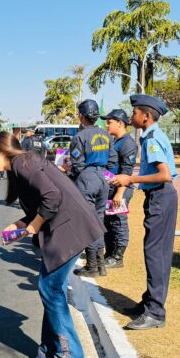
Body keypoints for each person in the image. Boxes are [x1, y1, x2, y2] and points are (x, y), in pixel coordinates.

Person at [0, 131, 104, 358]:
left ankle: (69, 357)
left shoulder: (24, 164)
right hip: (66, 231)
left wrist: (34, 226)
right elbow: (40, 203)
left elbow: (52, 197)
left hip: (69, 231)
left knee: (50, 289)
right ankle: (49, 351)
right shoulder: (22, 165)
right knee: (50, 289)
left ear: (1, 150)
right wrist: (20, 225)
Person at [111, 94, 178, 331]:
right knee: (154, 252)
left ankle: (155, 312)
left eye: (135, 112)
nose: (132, 116)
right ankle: (149, 302)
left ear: (146, 116)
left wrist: (130, 178)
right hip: (159, 197)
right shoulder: (152, 135)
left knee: (156, 254)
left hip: (161, 195)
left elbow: (164, 174)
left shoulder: (151, 139)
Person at [66, 99, 117, 277]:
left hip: (87, 179)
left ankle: (92, 266)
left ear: (81, 116)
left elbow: (77, 165)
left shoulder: (79, 137)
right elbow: (112, 161)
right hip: (103, 179)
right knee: (99, 221)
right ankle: (101, 264)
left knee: (88, 223)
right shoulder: (106, 135)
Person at [100, 109, 137, 268]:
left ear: (120, 123)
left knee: (119, 221)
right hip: (111, 188)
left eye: (109, 122)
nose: (107, 125)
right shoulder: (116, 141)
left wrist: (120, 194)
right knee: (109, 222)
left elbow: (126, 171)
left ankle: (118, 257)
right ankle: (109, 254)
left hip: (120, 189)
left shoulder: (128, 143)